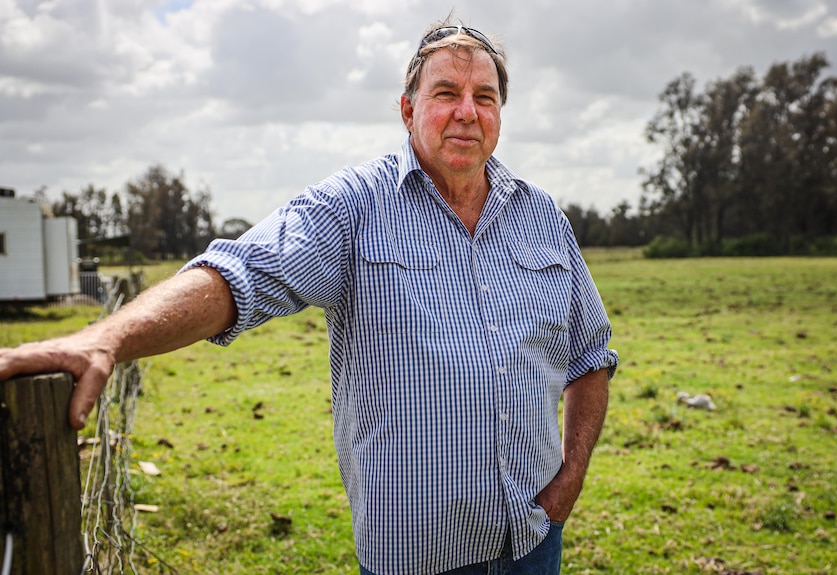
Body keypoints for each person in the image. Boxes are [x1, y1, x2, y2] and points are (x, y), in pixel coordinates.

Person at [0, 18, 618, 575]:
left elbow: (591, 354)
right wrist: (105, 338)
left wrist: (569, 480)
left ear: (501, 113)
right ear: (408, 111)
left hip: (533, 542)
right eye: (446, 93)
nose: (467, 111)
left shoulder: (540, 217)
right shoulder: (355, 206)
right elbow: (238, 276)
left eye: (484, 96)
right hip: (417, 559)